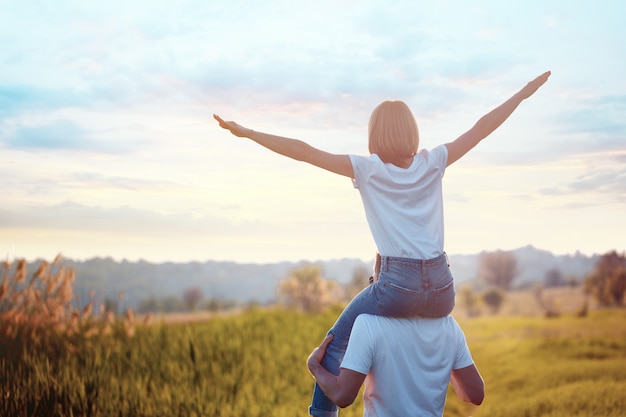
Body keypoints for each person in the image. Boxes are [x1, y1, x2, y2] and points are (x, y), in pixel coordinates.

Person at [214, 70, 550, 417]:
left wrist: (249, 133)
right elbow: (480, 129)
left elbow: (304, 152)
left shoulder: (368, 169)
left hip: (398, 286)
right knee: (396, 312)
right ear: (412, 132)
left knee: (332, 346)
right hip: (442, 290)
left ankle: (321, 416)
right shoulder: (433, 162)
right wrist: (522, 94)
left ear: (374, 136)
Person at [307, 314, 484, 417]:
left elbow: (342, 395)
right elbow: (475, 394)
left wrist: (315, 366)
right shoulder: (448, 326)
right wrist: (442, 353)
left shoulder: (368, 323)